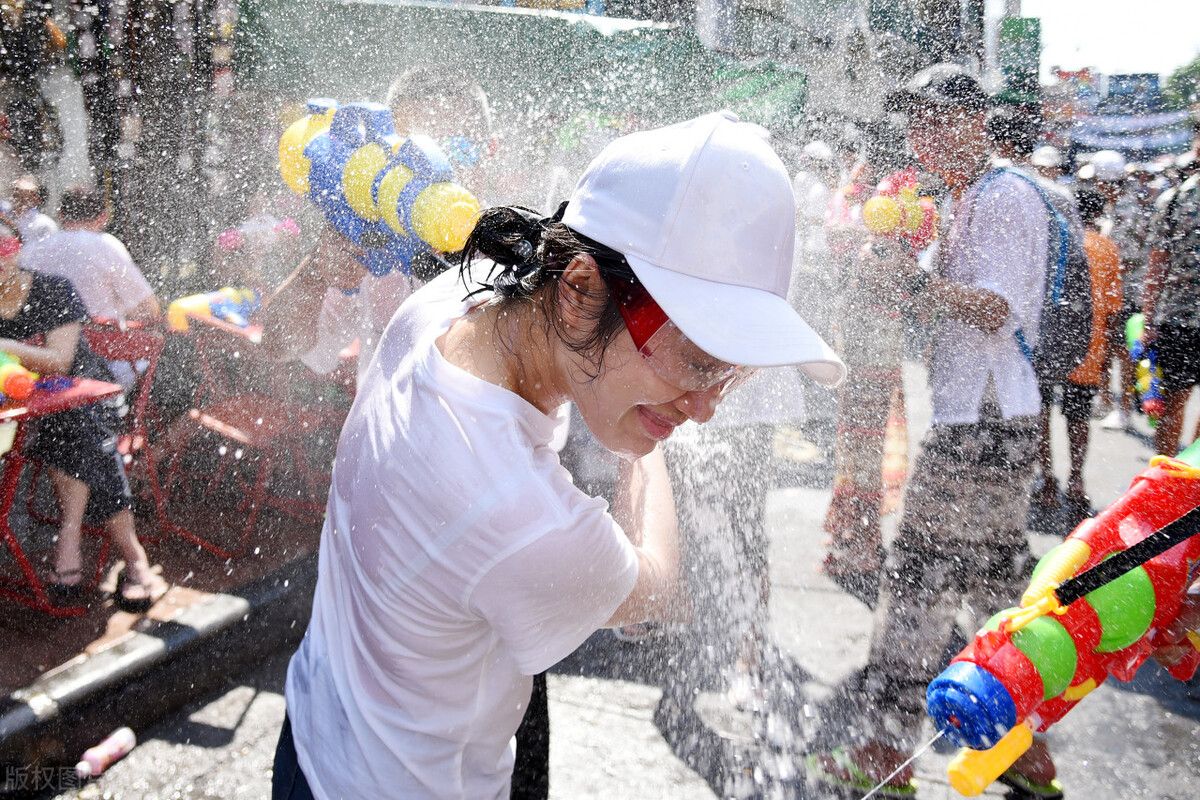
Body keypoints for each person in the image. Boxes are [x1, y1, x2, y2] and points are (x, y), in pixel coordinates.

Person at [271, 112, 845, 800]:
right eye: (696, 361)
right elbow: (653, 584)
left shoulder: (456, 303)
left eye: (733, 375)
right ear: (576, 292)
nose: (707, 406)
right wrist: (645, 448)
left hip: (317, 731)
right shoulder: (520, 515)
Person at [808, 64, 1060, 799]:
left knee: (918, 580)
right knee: (992, 593)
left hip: (983, 419)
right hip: (986, 419)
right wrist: (893, 274)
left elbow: (994, 311)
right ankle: (1022, 751)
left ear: (976, 122)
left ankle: (884, 753)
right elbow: (944, 306)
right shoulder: (959, 199)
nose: (923, 135)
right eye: (915, 121)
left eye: (937, 118)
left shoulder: (1006, 197)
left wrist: (912, 285)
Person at [263, 67, 496, 385]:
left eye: (457, 150)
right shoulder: (374, 239)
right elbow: (281, 347)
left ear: (491, 151)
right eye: (412, 156)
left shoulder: (520, 251)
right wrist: (316, 274)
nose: (437, 174)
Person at [0, 214, 162, 611]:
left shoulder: (53, 289)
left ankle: (79, 543)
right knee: (70, 430)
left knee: (75, 426)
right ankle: (131, 557)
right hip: (26, 406)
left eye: (3, 249)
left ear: (18, 250)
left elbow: (60, 359)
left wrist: (8, 345)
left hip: (88, 393)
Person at [1035, 186, 1121, 520]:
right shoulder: (1107, 249)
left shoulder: (1055, 242)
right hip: (1089, 346)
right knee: (1078, 416)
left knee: (1042, 412)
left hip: (1050, 344)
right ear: (1098, 215)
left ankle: (1045, 477)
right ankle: (1076, 479)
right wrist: (1107, 361)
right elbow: (1113, 310)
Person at [1141, 109, 1200, 457]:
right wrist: (1149, 319)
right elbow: (1156, 266)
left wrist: (1149, 319)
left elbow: (1156, 268)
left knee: (1174, 402)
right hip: (1177, 319)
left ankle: (1177, 483)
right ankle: (1178, 484)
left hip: (1177, 319)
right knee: (1174, 403)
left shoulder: (1172, 199)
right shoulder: (1174, 200)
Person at [22, 185, 160, 322]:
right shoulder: (106, 246)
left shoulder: (33, 249)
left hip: (43, 339)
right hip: (98, 337)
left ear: (60, 215)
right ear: (103, 218)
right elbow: (147, 308)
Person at [9, 173, 57, 244]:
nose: (19, 197)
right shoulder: (4, 219)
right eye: (16, 192)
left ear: (37, 199)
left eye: (26, 194)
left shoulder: (44, 224)